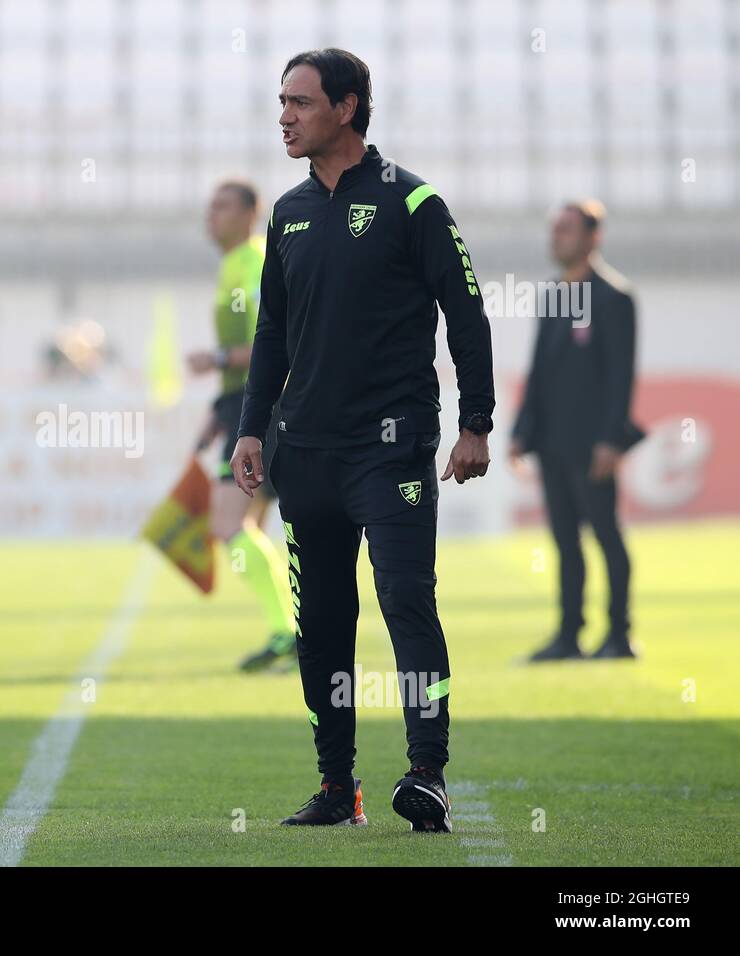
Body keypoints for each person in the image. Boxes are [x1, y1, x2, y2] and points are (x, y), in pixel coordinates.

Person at [229, 48, 495, 832]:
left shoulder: (414, 204)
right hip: (304, 453)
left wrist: (475, 421)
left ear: (346, 108)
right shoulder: (288, 213)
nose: (284, 116)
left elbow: (467, 312)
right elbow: (271, 331)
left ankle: (427, 773)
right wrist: (251, 429)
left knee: (406, 602)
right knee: (323, 626)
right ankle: (336, 787)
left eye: (300, 103)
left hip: (392, 449)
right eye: (281, 102)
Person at [511, 200, 644, 661]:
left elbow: (620, 375)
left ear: (593, 236)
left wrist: (611, 439)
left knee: (606, 534)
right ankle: (569, 635)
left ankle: (619, 635)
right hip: (551, 441)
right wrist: (520, 432)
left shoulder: (614, 296)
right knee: (565, 541)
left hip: (593, 445)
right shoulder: (553, 295)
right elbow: (539, 370)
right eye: (554, 229)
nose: (557, 237)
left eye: (566, 229)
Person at [188, 181, 297, 673]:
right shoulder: (233, 264)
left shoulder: (253, 262)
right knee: (249, 527)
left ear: (252, 213)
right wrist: (219, 410)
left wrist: (215, 359)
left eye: (222, 206)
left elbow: (280, 341)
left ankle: (288, 632)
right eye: (210, 206)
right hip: (245, 407)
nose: (211, 215)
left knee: (228, 524)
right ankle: (292, 633)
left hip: (265, 411)